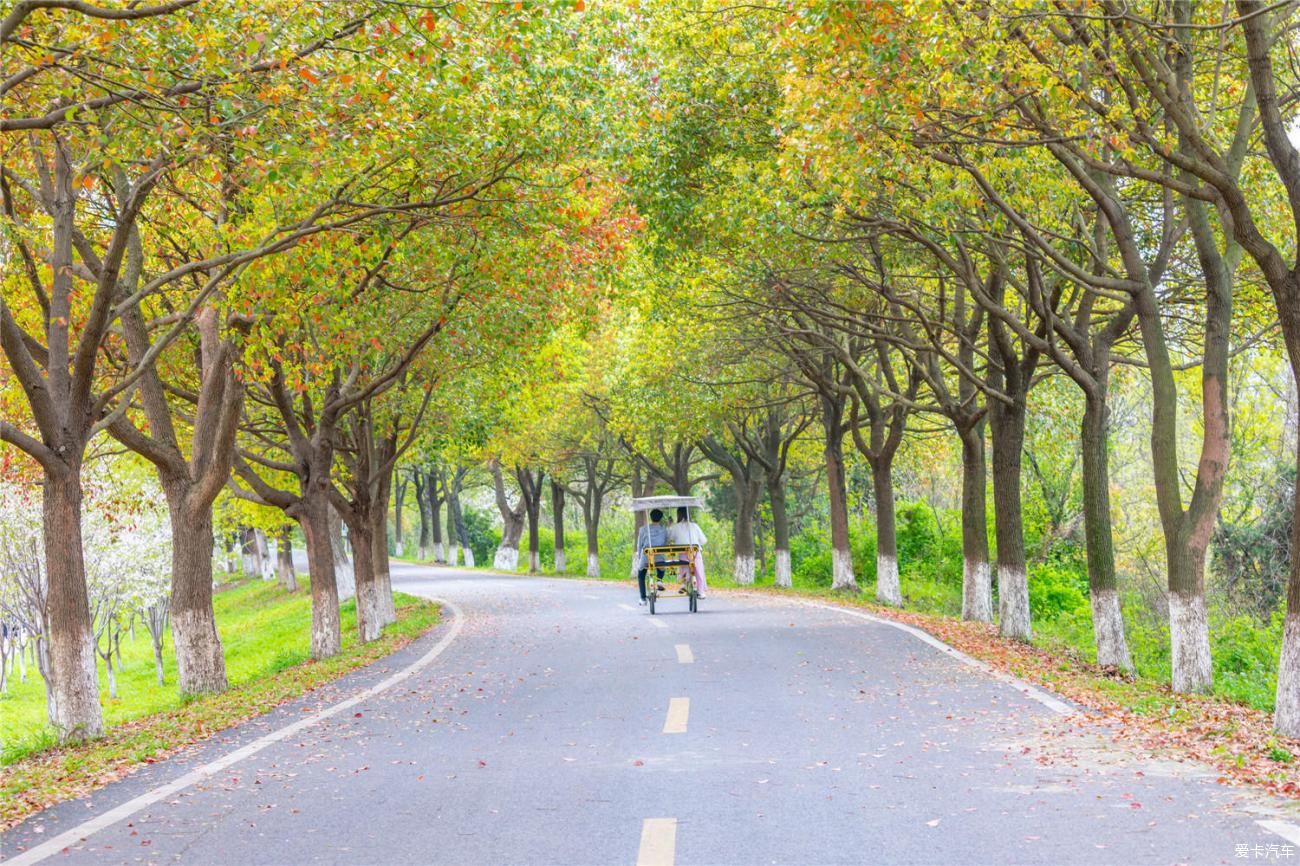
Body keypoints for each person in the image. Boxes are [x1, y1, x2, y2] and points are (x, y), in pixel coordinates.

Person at [667, 506, 707, 597]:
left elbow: (669, 538)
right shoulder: (694, 526)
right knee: (699, 569)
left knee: (684, 566)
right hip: (695, 552)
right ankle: (701, 591)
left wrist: (669, 526)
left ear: (678, 515)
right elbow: (704, 540)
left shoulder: (676, 527)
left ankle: (684, 583)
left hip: (683, 553)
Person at [633, 508, 667, 605]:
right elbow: (665, 543)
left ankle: (643, 598)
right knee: (661, 569)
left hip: (646, 557)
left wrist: (640, 557)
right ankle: (659, 580)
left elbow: (640, 545)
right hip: (659, 557)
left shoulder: (643, 529)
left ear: (651, 518)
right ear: (660, 518)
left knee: (641, 575)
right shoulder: (664, 529)